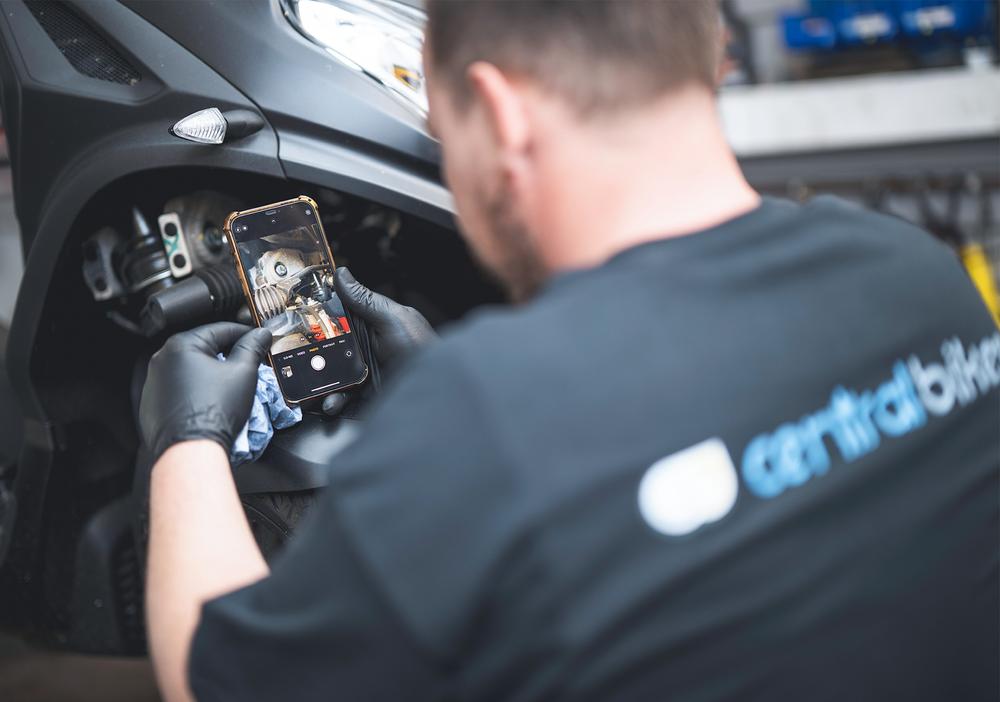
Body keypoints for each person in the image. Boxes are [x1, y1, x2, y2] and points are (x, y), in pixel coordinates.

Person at [138, 2, 1000, 701]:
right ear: (710, 60)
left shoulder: (493, 413)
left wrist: (186, 440)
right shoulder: (917, 275)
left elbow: (222, 683)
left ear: (502, 113)